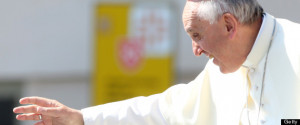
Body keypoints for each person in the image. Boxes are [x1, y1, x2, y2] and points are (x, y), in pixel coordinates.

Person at [13, 0, 300, 125]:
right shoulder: (219, 74)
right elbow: (161, 111)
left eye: (197, 35)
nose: (196, 50)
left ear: (228, 25)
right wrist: (83, 119)